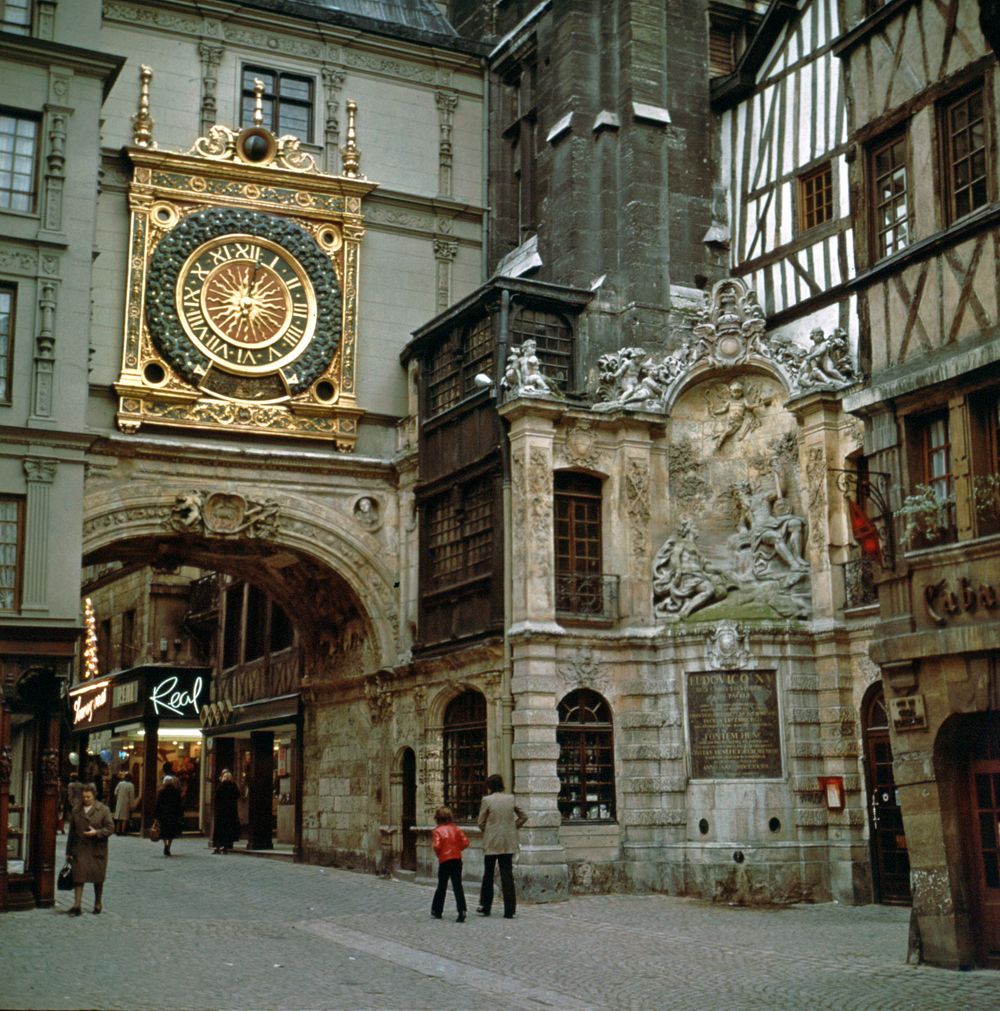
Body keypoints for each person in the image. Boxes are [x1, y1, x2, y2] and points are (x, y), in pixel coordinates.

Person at [476, 774, 527, 919]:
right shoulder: (510, 798)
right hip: (507, 841)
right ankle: (510, 910)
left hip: (492, 842)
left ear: (489, 786)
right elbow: (524, 816)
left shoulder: (487, 800)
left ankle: (485, 906)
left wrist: (489, 831)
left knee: (488, 874)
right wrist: (513, 827)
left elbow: (480, 822)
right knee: (507, 875)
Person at [65, 784, 114, 916]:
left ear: (94, 796)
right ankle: (77, 905)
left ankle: (97, 903)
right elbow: (72, 832)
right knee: (78, 877)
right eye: (84, 797)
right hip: (80, 848)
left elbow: (110, 828)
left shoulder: (103, 810)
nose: (86, 799)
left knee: (97, 877)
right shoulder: (76, 810)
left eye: (89, 797)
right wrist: (68, 851)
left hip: (97, 848)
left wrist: (97, 832)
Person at [431, 806, 469, 923]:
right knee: (458, 885)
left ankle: (437, 910)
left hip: (445, 860)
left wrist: (439, 853)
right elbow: (465, 842)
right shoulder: (456, 829)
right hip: (456, 859)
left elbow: (437, 846)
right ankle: (462, 910)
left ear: (438, 818)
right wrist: (457, 849)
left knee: (442, 885)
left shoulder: (437, 830)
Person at [154, 774, 184, 857]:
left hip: (163, 814)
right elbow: (179, 804)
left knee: (163, 831)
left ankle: (165, 844)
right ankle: (169, 846)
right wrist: (180, 814)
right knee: (171, 832)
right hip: (173, 814)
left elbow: (158, 804)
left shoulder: (161, 791)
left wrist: (156, 815)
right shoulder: (176, 792)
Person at [212, 769, 241, 854]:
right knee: (227, 829)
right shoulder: (233, 786)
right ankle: (225, 847)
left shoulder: (221, 786)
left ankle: (217, 847)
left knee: (219, 829)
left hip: (221, 811)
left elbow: (216, 797)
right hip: (230, 812)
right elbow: (238, 796)